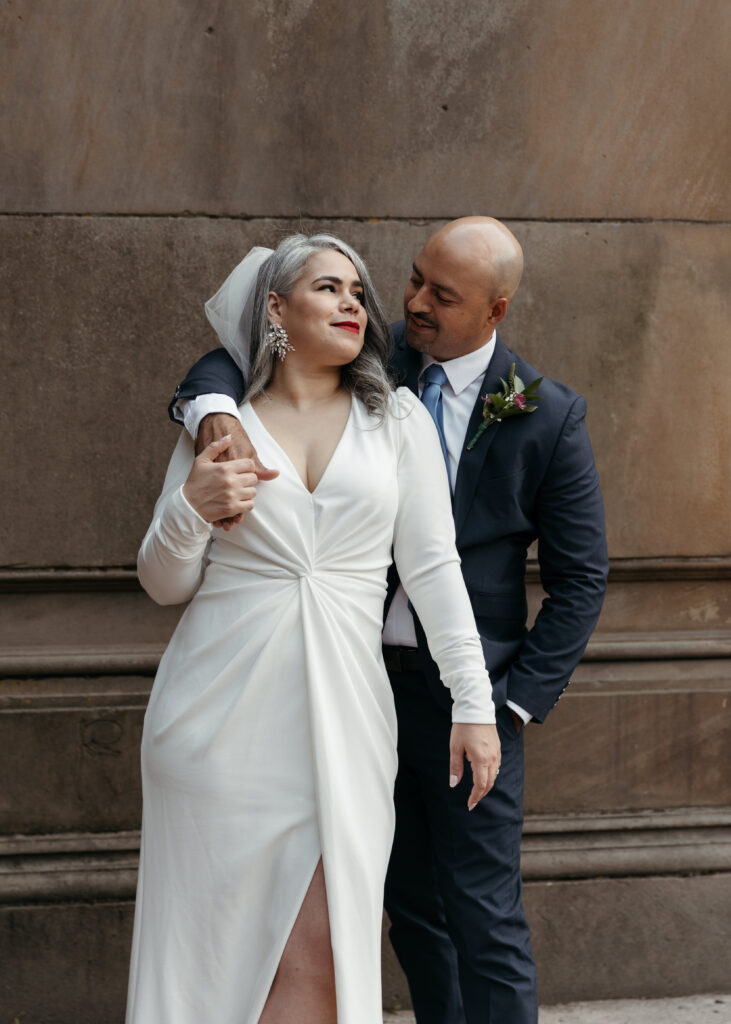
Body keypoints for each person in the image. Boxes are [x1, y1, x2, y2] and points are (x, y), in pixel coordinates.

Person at [168, 217, 609, 1024]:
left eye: (441, 295)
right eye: (410, 281)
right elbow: (229, 355)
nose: (411, 303)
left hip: (467, 698)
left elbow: (580, 581)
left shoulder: (545, 414)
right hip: (356, 684)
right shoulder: (369, 358)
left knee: (483, 912)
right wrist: (209, 412)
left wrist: (504, 705)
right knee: (405, 908)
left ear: (495, 309)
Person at [128, 233, 500, 1024]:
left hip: (345, 719)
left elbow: (433, 571)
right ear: (274, 309)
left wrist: (473, 701)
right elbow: (162, 585)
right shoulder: (220, 430)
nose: (352, 304)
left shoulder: (394, 420)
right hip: (216, 722)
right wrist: (192, 507)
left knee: (326, 959)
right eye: (329, 288)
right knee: (215, 963)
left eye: (359, 294)